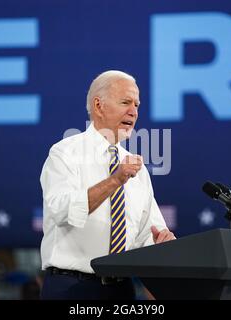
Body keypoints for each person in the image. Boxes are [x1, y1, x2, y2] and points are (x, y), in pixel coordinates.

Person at [39, 70, 175, 300]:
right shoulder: (65, 153)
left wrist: (161, 242)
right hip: (72, 288)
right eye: (125, 102)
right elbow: (61, 210)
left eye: (137, 105)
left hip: (121, 291)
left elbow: (146, 235)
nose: (134, 111)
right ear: (99, 106)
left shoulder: (136, 170)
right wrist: (115, 180)